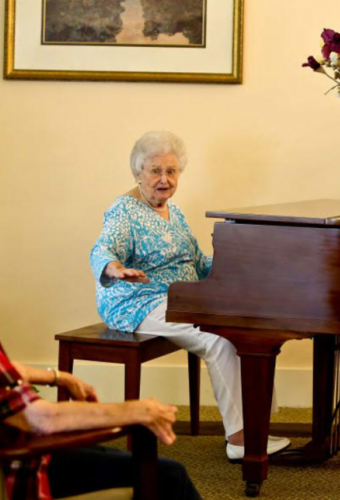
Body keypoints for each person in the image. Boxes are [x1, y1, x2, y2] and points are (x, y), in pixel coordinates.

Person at [0, 204, 201, 500]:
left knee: (97, 451)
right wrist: (137, 410)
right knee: (170, 475)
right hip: (13, 468)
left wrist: (56, 377)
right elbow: (41, 418)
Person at [90, 130, 290, 461]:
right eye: (156, 171)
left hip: (182, 297)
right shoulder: (123, 211)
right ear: (138, 172)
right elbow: (103, 248)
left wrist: (241, 266)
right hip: (138, 302)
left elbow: (197, 262)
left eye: (171, 171)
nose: (164, 179)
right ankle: (240, 440)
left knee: (248, 327)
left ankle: (257, 425)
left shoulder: (175, 212)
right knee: (218, 338)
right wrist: (114, 268)